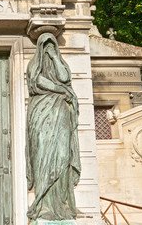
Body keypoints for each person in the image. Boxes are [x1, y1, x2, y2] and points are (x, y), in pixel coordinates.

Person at [25, 33, 81, 221]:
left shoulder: (60, 63)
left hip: (61, 114)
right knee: (43, 158)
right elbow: (38, 81)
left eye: (52, 45)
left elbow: (64, 78)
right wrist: (61, 90)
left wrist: (55, 57)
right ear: (39, 47)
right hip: (41, 115)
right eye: (45, 46)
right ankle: (43, 204)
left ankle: (61, 206)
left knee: (63, 156)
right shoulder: (33, 65)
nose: (48, 48)